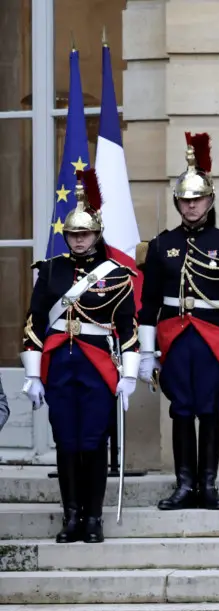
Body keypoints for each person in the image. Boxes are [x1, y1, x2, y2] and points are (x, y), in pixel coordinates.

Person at [136, 132, 219, 512]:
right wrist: (146, 351)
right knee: (181, 410)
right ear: (177, 203)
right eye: (185, 200)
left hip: (212, 339)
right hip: (174, 338)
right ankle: (184, 484)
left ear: (210, 201)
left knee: (209, 409)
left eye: (198, 199)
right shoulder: (160, 245)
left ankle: (208, 485)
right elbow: (149, 301)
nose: (191, 206)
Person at [20, 170, 139, 543]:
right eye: (73, 234)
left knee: (92, 442)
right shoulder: (51, 270)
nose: (79, 240)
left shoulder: (117, 275)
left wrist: (130, 375)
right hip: (59, 367)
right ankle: (71, 515)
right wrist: (34, 374)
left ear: (97, 234)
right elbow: (34, 324)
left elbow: (128, 328)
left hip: (97, 368)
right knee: (67, 442)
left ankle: (93, 517)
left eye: (85, 234)